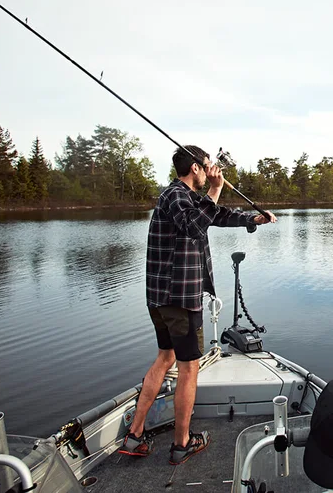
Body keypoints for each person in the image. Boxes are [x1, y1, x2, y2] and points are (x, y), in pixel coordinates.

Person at [119, 145, 277, 465]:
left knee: (166, 357)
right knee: (189, 368)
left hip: (163, 299)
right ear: (194, 169)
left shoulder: (189, 199)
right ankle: (181, 444)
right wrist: (217, 189)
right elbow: (195, 225)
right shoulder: (175, 196)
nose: (210, 172)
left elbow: (216, 215)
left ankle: (134, 435)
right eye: (206, 167)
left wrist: (254, 219)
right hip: (178, 300)